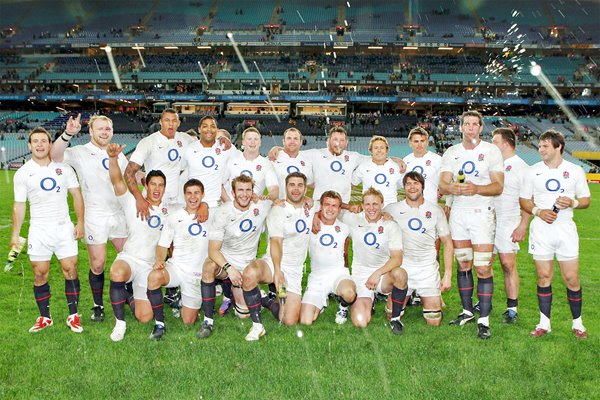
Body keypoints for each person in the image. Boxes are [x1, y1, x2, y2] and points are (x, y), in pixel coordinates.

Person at [50, 114, 128, 322]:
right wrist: (68, 134)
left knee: (129, 257)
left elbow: (127, 179)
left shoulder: (119, 154)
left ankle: (129, 295)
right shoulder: (80, 152)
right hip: (95, 215)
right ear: (91, 131)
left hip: (120, 214)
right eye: (100, 128)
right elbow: (55, 156)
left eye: (108, 129)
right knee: (98, 264)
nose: (104, 132)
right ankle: (98, 305)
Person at [11, 127, 84, 333]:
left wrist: (80, 222)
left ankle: (73, 316)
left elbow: (77, 196)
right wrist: (15, 234)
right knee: (39, 273)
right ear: (29, 145)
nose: (40, 145)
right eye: (36, 141)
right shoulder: (23, 173)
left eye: (44, 141)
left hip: (63, 227)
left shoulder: (64, 169)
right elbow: (19, 205)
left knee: (70, 270)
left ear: (50, 144)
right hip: (39, 229)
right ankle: (45, 317)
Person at [519, 130, 591, 339]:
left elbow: (586, 200)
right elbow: (524, 200)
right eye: (539, 146)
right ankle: (544, 323)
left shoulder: (575, 170)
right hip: (541, 230)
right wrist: (538, 212)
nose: (540, 149)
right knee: (543, 277)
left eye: (544, 146)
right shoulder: (532, 171)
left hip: (565, 230)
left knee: (571, 278)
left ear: (558, 147)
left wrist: (573, 202)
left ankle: (578, 324)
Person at [438, 110, 504, 339]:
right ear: (461, 127)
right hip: (459, 213)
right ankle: (467, 311)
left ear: (480, 128)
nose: (470, 127)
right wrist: (452, 188)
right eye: (466, 124)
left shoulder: (491, 151)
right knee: (463, 264)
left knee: (483, 267)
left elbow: (498, 187)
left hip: (482, 213)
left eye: (475, 124)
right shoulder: (452, 152)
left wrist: (477, 189)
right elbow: (443, 184)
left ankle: (484, 319)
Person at [106, 143, 170, 342]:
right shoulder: (133, 201)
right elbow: (117, 181)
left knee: (144, 317)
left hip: (149, 267)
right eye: (153, 184)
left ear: (165, 188)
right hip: (130, 258)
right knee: (117, 272)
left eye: (161, 185)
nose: (157, 189)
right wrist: (113, 159)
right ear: (145, 184)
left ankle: (128, 294)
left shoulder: (171, 211)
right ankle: (120, 323)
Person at [197, 175, 272, 339]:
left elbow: (285, 201)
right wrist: (229, 269)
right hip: (225, 264)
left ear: (253, 192)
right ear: (233, 192)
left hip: (247, 267)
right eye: (240, 190)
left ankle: (259, 296)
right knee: (208, 266)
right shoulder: (223, 211)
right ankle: (208, 321)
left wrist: (309, 203)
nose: (244, 194)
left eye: (248, 190)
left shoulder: (262, 206)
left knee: (243, 314)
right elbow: (213, 250)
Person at [385, 172, 454, 326]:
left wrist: (447, 274)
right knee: (391, 316)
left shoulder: (435, 210)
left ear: (422, 186)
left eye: (416, 183)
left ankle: (427, 296)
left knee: (434, 321)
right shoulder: (392, 209)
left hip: (427, 270)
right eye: (408, 183)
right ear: (404, 187)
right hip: (403, 268)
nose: (412, 187)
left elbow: (447, 243)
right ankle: (403, 295)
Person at [146, 179, 210, 340]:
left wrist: (206, 206)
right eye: (189, 193)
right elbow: (162, 245)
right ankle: (159, 324)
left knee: (188, 321)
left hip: (195, 274)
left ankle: (183, 299)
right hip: (176, 268)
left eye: (197, 193)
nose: (193, 197)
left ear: (202, 195)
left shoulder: (211, 216)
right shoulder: (174, 218)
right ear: (184, 195)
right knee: (154, 277)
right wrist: (160, 260)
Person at [341, 188, 408, 334]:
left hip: (383, 274)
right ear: (362, 205)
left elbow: (397, 258)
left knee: (401, 274)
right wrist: (348, 207)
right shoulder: (354, 219)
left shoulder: (391, 225)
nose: (371, 208)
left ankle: (395, 319)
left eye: (375, 204)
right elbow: (330, 207)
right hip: (361, 275)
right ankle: (368, 301)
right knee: (360, 322)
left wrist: (377, 273)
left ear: (382, 204)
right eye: (368, 204)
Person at [491, 128, 531, 323]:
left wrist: (523, 225)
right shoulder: (492, 165)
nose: (492, 144)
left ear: (506, 144)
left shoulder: (521, 167)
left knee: (507, 263)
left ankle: (512, 308)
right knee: (484, 263)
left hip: (508, 220)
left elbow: (529, 199)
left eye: (495, 141)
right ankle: (484, 301)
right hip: (488, 219)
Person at [299, 191, 356, 326]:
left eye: (334, 206)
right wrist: (313, 215)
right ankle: (321, 303)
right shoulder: (309, 225)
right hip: (317, 277)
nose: (330, 209)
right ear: (321, 206)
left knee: (349, 293)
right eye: (327, 205)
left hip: (338, 274)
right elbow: (297, 203)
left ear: (339, 209)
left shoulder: (345, 228)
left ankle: (343, 308)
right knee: (306, 321)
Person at [124, 108, 195, 216]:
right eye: (167, 120)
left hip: (177, 203)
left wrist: (223, 141)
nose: (170, 124)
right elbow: (129, 172)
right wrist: (139, 199)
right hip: (152, 202)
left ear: (179, 123)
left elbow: (204, 147)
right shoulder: (148, 142)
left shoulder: (186, 139)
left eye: (174, 121)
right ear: (160, 122)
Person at [224, 127, 279, 201]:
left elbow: (274, 189)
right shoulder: (232, 161)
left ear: (260, 142)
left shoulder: (266, 164)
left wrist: (265, 198)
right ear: (243, 142)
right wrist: (228, 203)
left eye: (256, 139)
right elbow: (220, 184)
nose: (252, 142)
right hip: (233, 208)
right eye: (249, 139)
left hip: (255, 208)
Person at [352, 136, 403, 208]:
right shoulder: (363, 167)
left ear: (387, 150)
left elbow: (407, 187)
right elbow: (352, 184)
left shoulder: (396, 167)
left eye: (382, 148)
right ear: (371, 151)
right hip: (370, 211)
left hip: (391, 211)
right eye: (376, 148)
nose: (379, 150)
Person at [271, 127, 313, 200]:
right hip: (278, 207)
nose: (292, 141)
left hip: (299, 208)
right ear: (283, 141)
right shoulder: (273, 158)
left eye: (295, 139)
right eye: (289, 138)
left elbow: (310, 185)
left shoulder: (307, 162)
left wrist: (307, 199)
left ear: (300, 142)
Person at [403, 127, 442, 204]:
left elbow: (445, 182)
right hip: (410, 206)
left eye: (422, 141)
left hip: (431, 205)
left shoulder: (437, 160)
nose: (419, 144)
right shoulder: (406, 161)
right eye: (416, 141)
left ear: (427, 142)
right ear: (410, 143)